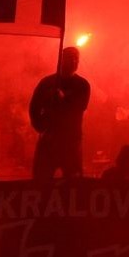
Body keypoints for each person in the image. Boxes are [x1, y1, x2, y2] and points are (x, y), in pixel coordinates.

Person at [29, 47, 91, 182]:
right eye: (70, 58)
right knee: (41, 178)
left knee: (73, 181)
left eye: (76, 59)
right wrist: (39, 125)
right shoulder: (47, 83)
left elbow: (81, 106)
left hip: (71, 140)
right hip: (49, 138)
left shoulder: (82, 85)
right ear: (61, 60)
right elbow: (34, 106)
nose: (74, 62)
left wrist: (64, 99)